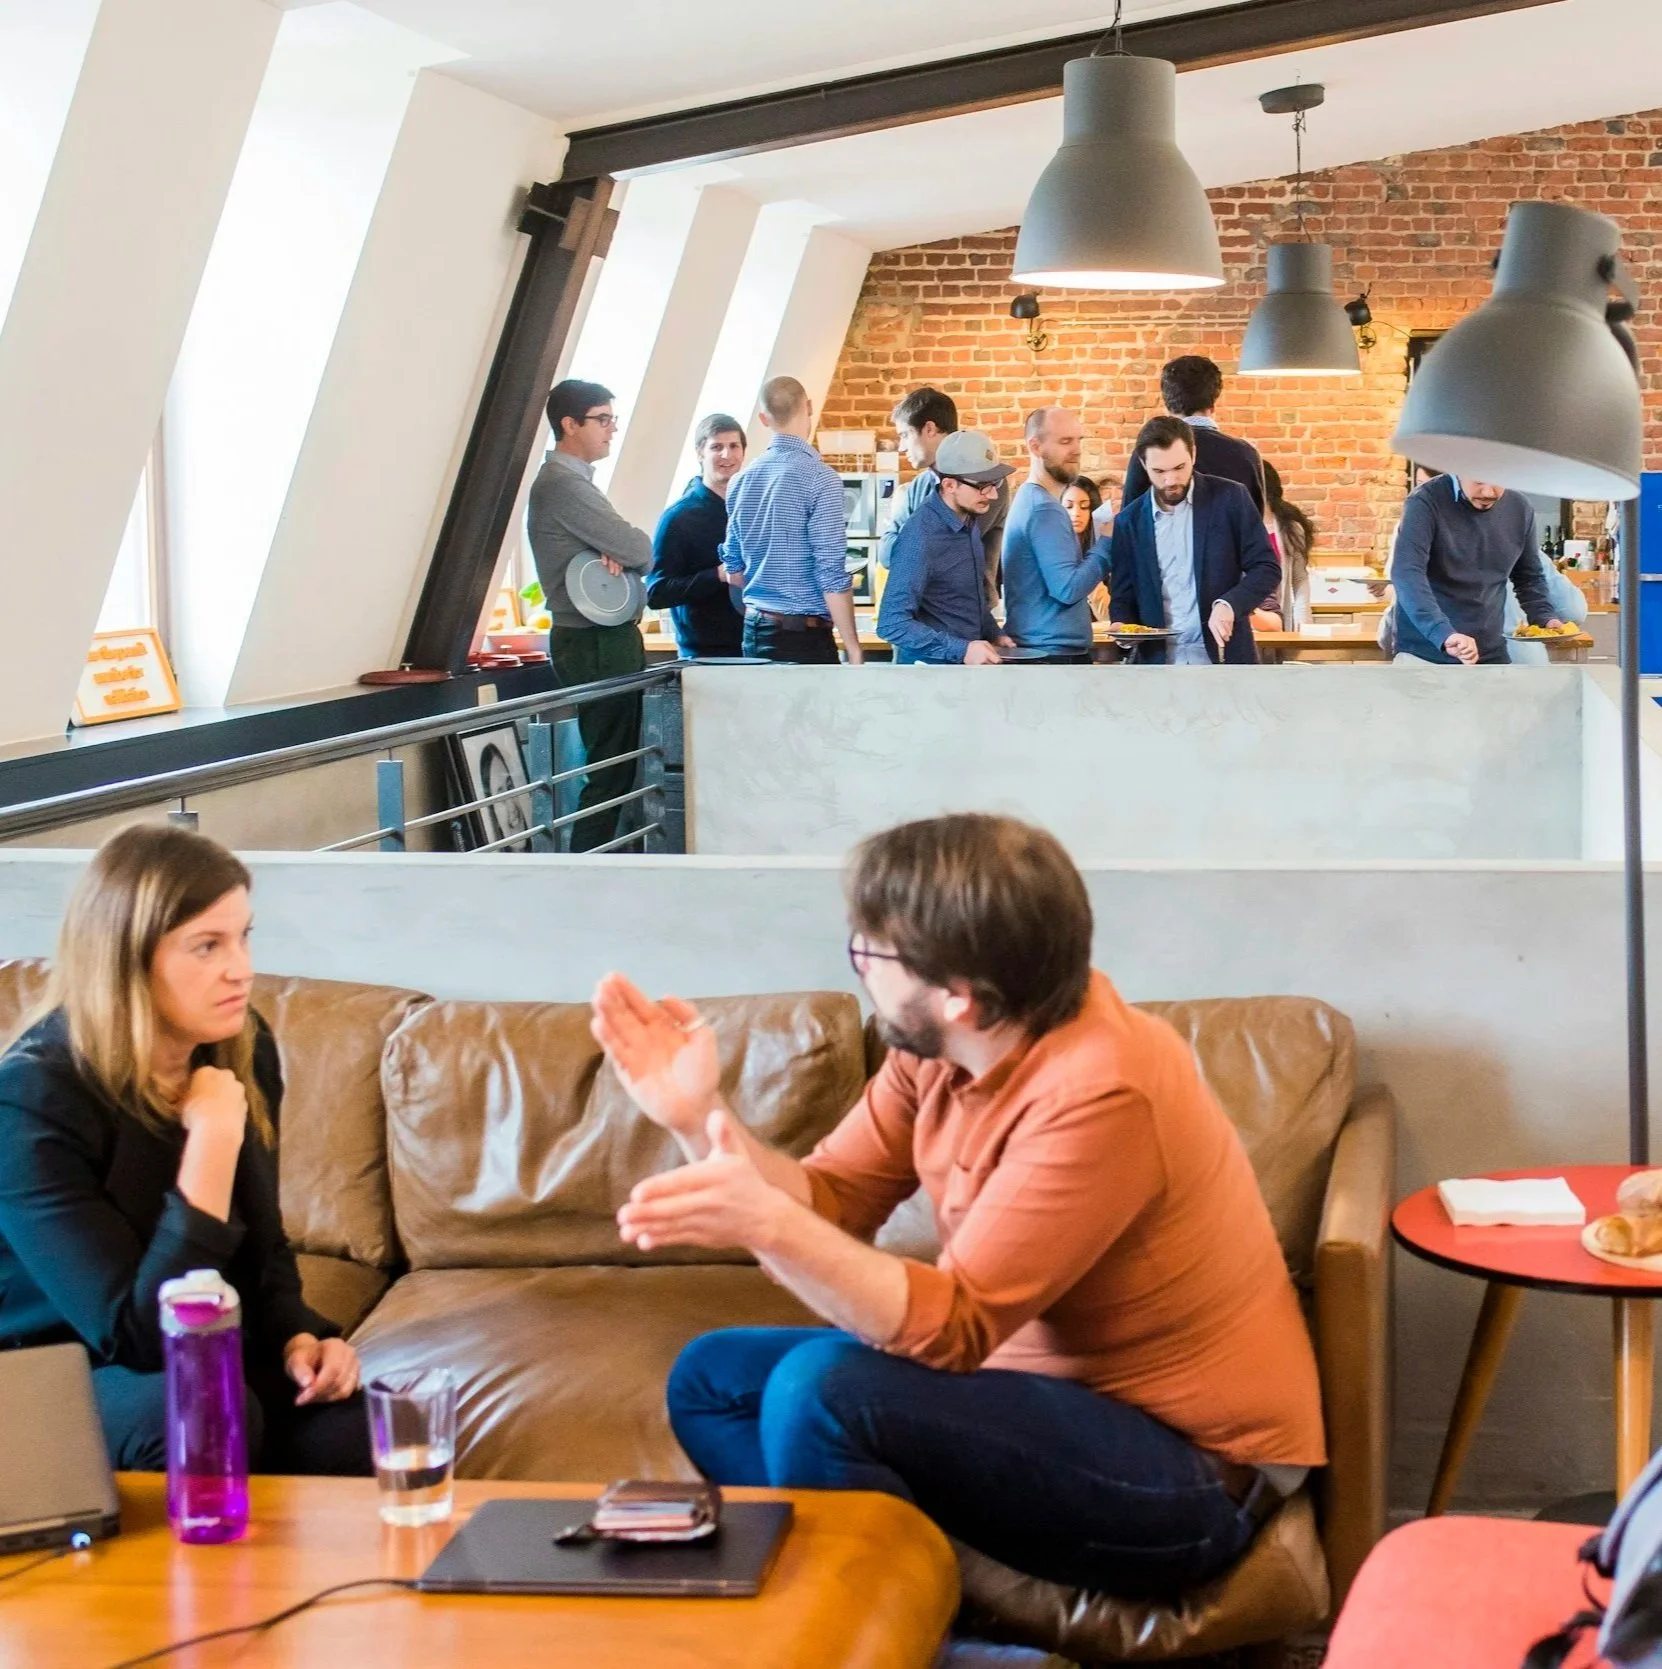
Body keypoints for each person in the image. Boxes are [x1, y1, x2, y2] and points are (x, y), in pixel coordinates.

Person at [590, 813, 1324, 1601]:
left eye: (871, 952)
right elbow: (832, 1199)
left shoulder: (1103, 1091)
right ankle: (901, 1602)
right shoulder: (941, 1050)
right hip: (1041, 1402)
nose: (860, 967)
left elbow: (955, 1327)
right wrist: (697, 1115)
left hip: (1193, 1471)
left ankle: (868, 1624)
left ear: (958, 997)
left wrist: (767, 1224)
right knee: (712, 1379)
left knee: (820, 1388)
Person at [0, 824, 370, 1475]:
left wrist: (300, 1336)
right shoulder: (30, 1099)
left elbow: (265, 1248)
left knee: (359, 1428)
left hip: (196, 1349)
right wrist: (213, 1144)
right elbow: (137, 1335)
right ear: (126, 959)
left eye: (243, 936)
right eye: (207, 946)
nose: (241, 968)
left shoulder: (240, 1045)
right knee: (203, 1408)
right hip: (52, 1372)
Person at [528, 378, 653, 851]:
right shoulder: (564, 486)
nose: (611, 429)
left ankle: (598, 863)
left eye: (612, 420)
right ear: (569, 425)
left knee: (618, 766)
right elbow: (639, 549)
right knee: (611, 770)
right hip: (594, 641)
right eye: (602, 420)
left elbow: (627, 551)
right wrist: (618, 552)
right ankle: (586, 865)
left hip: (599, 637)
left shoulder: (572, 484)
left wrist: (612, 553)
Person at [1109, 417, 1282, 665]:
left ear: (1193, 454)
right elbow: (1122, 595)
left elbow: (1266, 567)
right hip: (1158, 663)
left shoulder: (1231, 498)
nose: (1171, 480)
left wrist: (1230, 604)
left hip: (1225, 657)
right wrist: (1122, 626)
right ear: (1143, 464)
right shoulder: (1129, 521)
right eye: (1159, 471)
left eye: (1179, 467)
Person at [720, 376, 863, 666]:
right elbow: (830, 573)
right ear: (808, 406)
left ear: (763, 419)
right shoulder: (821, 479)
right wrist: (853, 648)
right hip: (803, 636)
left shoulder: (740, 481)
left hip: (754, 631)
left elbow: (734, 570)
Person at [1390, 474, 1563, 665]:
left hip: (1491, 652)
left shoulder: (1520, 508)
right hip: (1425, 654)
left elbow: (1529, 577)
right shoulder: (1425, 500)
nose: (1488, 492)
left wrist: (1544, 617)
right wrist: (1443, 633)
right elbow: (1407, 573)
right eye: (1479, 480)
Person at [875, 431, 1015, 666]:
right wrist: (962, 650)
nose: (992, 495)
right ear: (949, 485)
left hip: (963, 672)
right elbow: (892, 624)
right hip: (928, 675)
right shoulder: (920, 537)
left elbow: (964, 599)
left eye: (995, 484)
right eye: (983, 486)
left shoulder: (969, 520)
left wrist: (993, 632)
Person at [879, 387, 1009, 604]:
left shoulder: (988, 481)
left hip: (966, 613)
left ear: (929, 429)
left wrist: (907, 538)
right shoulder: (918, 485)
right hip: (920, 613)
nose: (901, 447)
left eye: (905, 435)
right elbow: (885, 555)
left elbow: (945, 549)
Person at [1001, 408, 1110, 664]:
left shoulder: (1030, 500)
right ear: (1035, 446)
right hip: (1052, 656)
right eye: (1065, 441)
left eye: (1078, 440)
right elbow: (1067, 589)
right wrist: (1107, 543)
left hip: (1041, 652)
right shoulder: (1045, 509)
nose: (1076, 450)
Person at [647, 414, 747, 660]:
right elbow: (656, 592)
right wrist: (719, 575)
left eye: (734, 446)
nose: (727, 455)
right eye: (716, 447)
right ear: (700, 453)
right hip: (703, 656)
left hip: (756, 647)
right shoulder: (677, 517)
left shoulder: (753, 509)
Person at [1121, 355, 1265, 513]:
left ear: (1167, 404)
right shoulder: (1246, 453)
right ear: (1213, 403)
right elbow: (1257, 518)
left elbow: (1129, 517)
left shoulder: (1150, 452)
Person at [1251, 461, 1316, 632]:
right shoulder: (1236, 524)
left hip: (1275, 617)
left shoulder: (1290, 528)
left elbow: (1299, 579)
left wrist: (1303, 623)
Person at [1062, 476, 1114, 623]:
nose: (1076, 513)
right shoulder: (1054, 553)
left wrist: (1090, 575)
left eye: (1084, 506)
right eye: (1068, 506)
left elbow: (1111, 617)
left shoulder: (1103, 550)